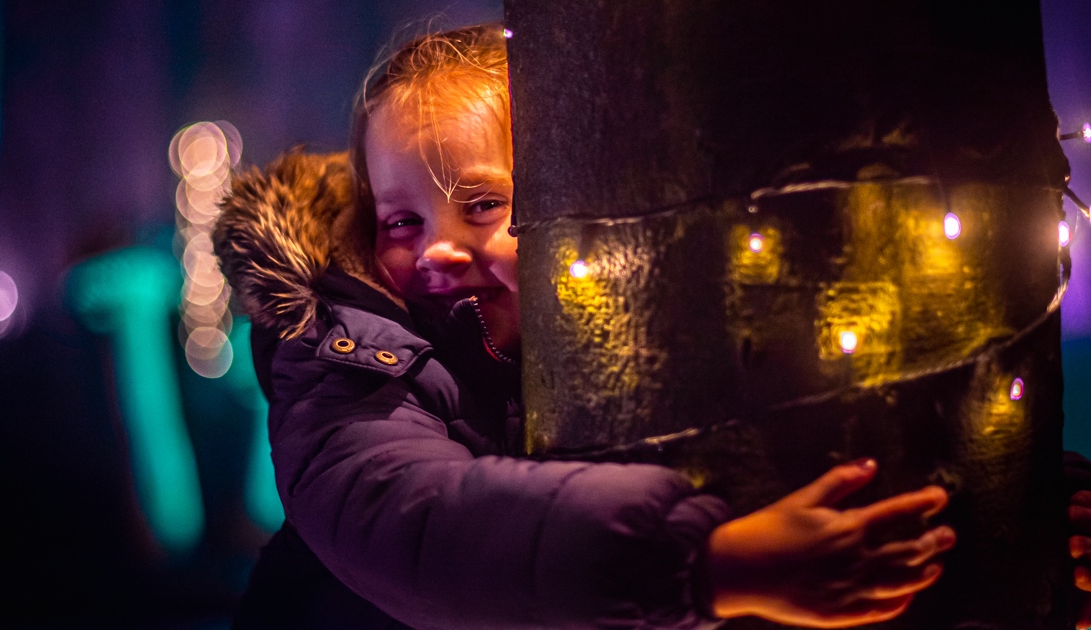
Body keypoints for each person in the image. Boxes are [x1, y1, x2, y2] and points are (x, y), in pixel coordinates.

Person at [213, 23, 963, 629]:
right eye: (402, 220)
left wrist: (1025, 508)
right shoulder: (347, 355)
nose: (437, 248)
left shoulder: (648, 331)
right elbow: (409, 516)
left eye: (482, 205)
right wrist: (703, 565)